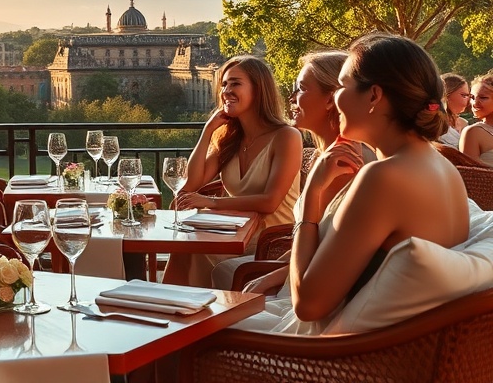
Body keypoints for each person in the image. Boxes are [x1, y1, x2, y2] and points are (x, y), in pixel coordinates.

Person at [242, 34, 469, 335]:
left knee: (178, 332)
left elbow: (308, 306)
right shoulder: (444, 167)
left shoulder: (384, 177)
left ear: (374, 96)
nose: (336, 98)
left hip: (335, 358)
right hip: (394, 348)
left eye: (343, 85)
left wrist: (311, 198)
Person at [211, 51, 368, 292]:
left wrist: (269, 277)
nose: (292, 98)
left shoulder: (344, 161)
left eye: (301, 89)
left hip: (313, 288)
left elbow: (332, 250)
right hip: (301, 270)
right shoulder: (325, 155)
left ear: (330, 100)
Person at [162, 55, 303, 287]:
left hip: (272, 239)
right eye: (224, 84)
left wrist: (210, 202)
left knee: (194, 248)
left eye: (235, 83)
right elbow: (190, 185)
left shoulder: (286, 136)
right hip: (235, 231)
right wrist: (207, 132)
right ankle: (171, 312)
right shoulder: (230, 140)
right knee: (184, 246)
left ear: (259, 90)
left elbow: (270, 202)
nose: (226, 90)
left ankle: (197, 312)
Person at [460, 74, 493, 167]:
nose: (474, 103)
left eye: (483, 98)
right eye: (472, 97)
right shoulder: (473, 132)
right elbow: (470, 175)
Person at [439, 73, 470, 147]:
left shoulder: (464, 124)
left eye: (468, 95)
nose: (469, 100)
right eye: (464, 95)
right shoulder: (434, 124)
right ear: (447, 95)